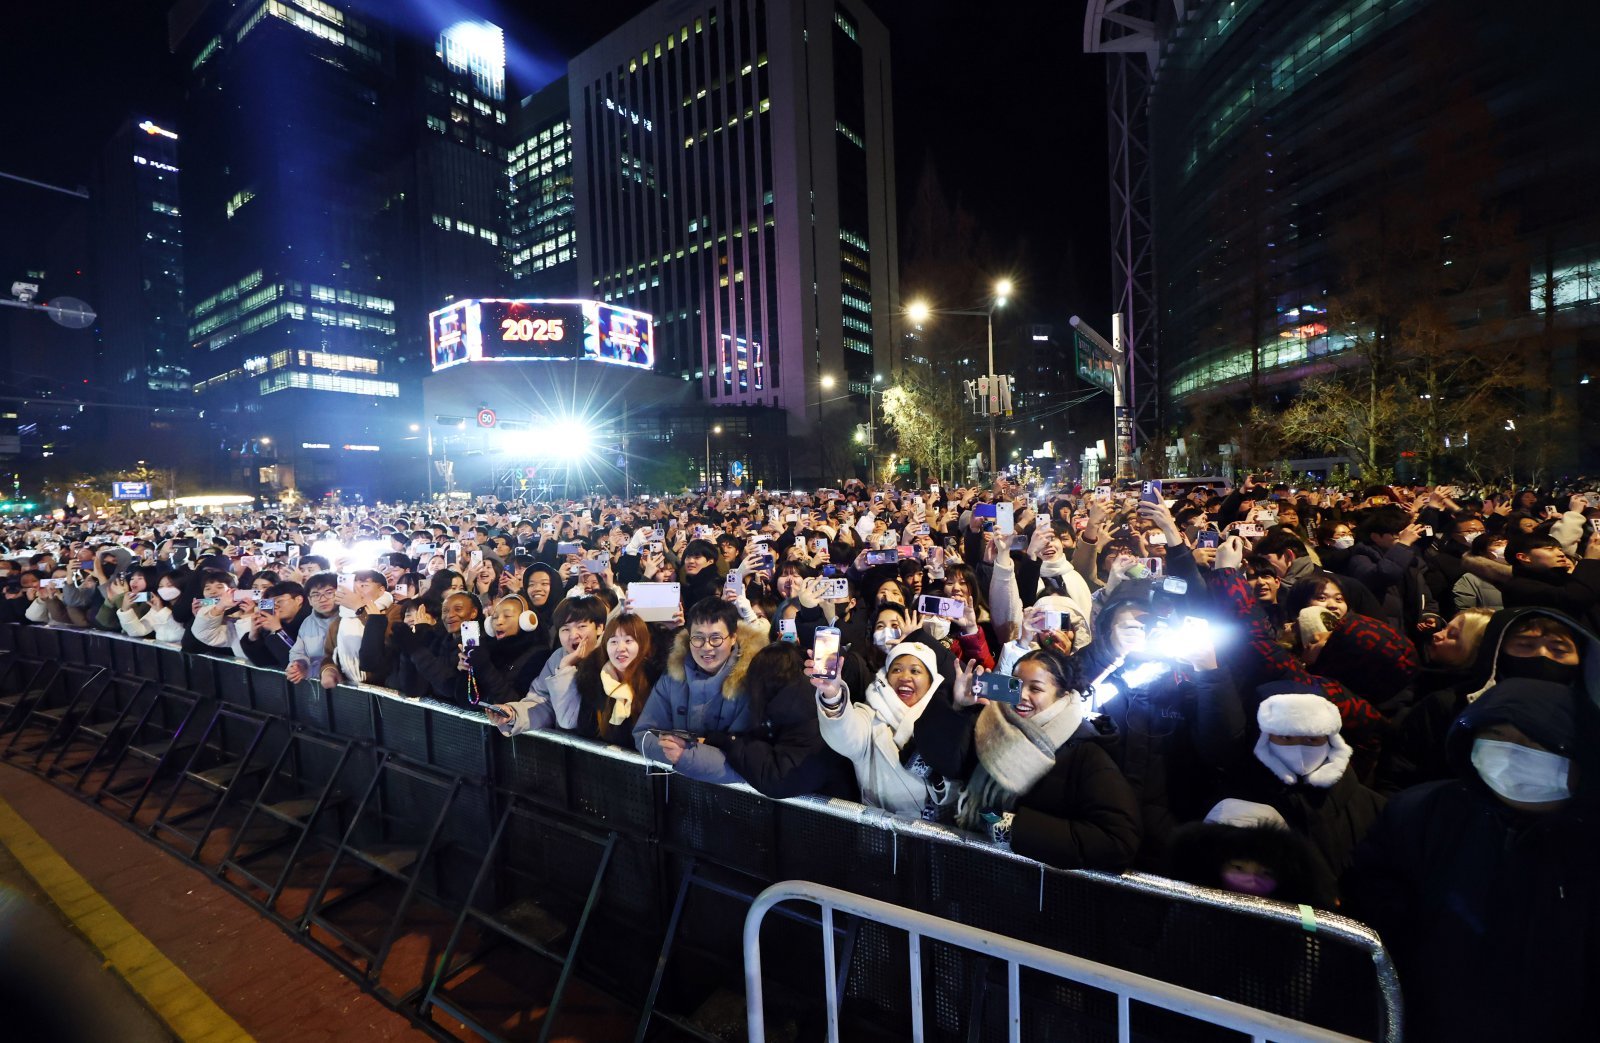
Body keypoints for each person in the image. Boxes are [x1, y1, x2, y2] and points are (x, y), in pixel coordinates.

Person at [1346, 678, 1600, 1042]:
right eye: (1496, 735)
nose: (1510, 754)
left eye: (1535, 742)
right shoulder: (1421, 814)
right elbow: (1374, 923)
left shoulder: (1589, 845)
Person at [915, 648, 1142, 869]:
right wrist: (956, 708)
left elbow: (1117, 841)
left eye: (1036, 688)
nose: (1022, 696)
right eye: (1016, 685)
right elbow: (943, 761)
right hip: (976, 871)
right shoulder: (988, 725)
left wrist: (1012, 828)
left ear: (1062, 694)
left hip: (1039, 891)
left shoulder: (1087, 754)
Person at [811, 639, 960, 822]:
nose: (905, 676)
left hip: (940, 833)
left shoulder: (947, 717)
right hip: (882, 835)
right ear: (886, 676)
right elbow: (845, 735)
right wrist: (832, 695)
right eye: (896, 669)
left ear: (931, 681)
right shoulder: (869, 715)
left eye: (915, 671)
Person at [632, 597, 768, 783]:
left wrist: (685, 756)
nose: (706, 647)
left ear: (733, 637)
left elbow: (749, 761)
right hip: (678, 791)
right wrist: (674, 752)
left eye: (716, 638)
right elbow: (643, 735)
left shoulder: (752, 682)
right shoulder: (673, 676)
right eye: (698, 638)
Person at [711, 641, 858, 800]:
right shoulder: (801, 700)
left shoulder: (802, 712)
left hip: (831, 816)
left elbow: (778, 778)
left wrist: (731, 742)